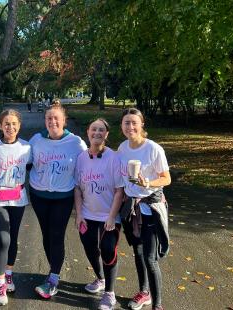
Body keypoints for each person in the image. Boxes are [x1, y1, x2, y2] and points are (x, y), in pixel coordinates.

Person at [29, 102, 87, 299]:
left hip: (63, 196)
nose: (52, 121)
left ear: (64, 120)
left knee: (56, 233)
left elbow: (87, 166)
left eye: (56, 118)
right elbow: (24, 161)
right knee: (46, 234)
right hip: (39, 195)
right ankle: (53, 268)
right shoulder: (36, 140)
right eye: (48, 118)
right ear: (45, 121)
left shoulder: (76, 142)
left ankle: (53, 278)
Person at [117, 108, 171, 310]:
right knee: (138, 252)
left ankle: (157, 305)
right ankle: (144, 292)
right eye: (126, 123)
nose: (130, 126)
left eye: (134, 122)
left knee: (150, 258)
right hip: (132, 207)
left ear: (141, 125)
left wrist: (148, 182)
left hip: (151, 207)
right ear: (121, 126)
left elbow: (167, 178)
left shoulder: (153, 149)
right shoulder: (122, 148)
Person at [74, 118, 124, 310]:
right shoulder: (81, 158)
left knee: (108, 249)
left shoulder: (114, 158)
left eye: (101, 130)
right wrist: (79, 214)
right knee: (89, 247)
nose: (97, 133)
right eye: (94, 129)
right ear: (88, 132)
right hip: (87, 214)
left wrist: (112, 217)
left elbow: (120, 190)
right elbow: (78, 189)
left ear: (106, 134)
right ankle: (100, 278)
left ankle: (109, 293)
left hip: (108, 215)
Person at [0, 109, 32, 305]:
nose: (10, 127)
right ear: (0, 126)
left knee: (13, 237)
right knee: (4, 239)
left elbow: (30, 167)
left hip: (18, 198)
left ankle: (9, 272)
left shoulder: (27, 148)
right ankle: (0, 282)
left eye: (14, 124)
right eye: (6, 124)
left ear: (19, 126)